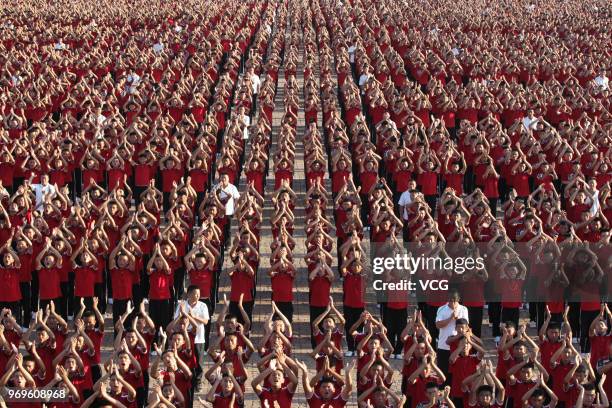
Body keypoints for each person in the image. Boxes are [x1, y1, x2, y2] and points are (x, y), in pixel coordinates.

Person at [435, 291, 469, 382]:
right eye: (450, 300)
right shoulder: (442, 309)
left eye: (455, 301)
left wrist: (457, 318)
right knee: (443, 374)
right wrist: (450, 318)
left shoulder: (463, 309)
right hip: (443, 346)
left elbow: (466, 327)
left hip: (458, 347)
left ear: (458, 300)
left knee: (456, 375)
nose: (452, 303)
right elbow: (438, 325)